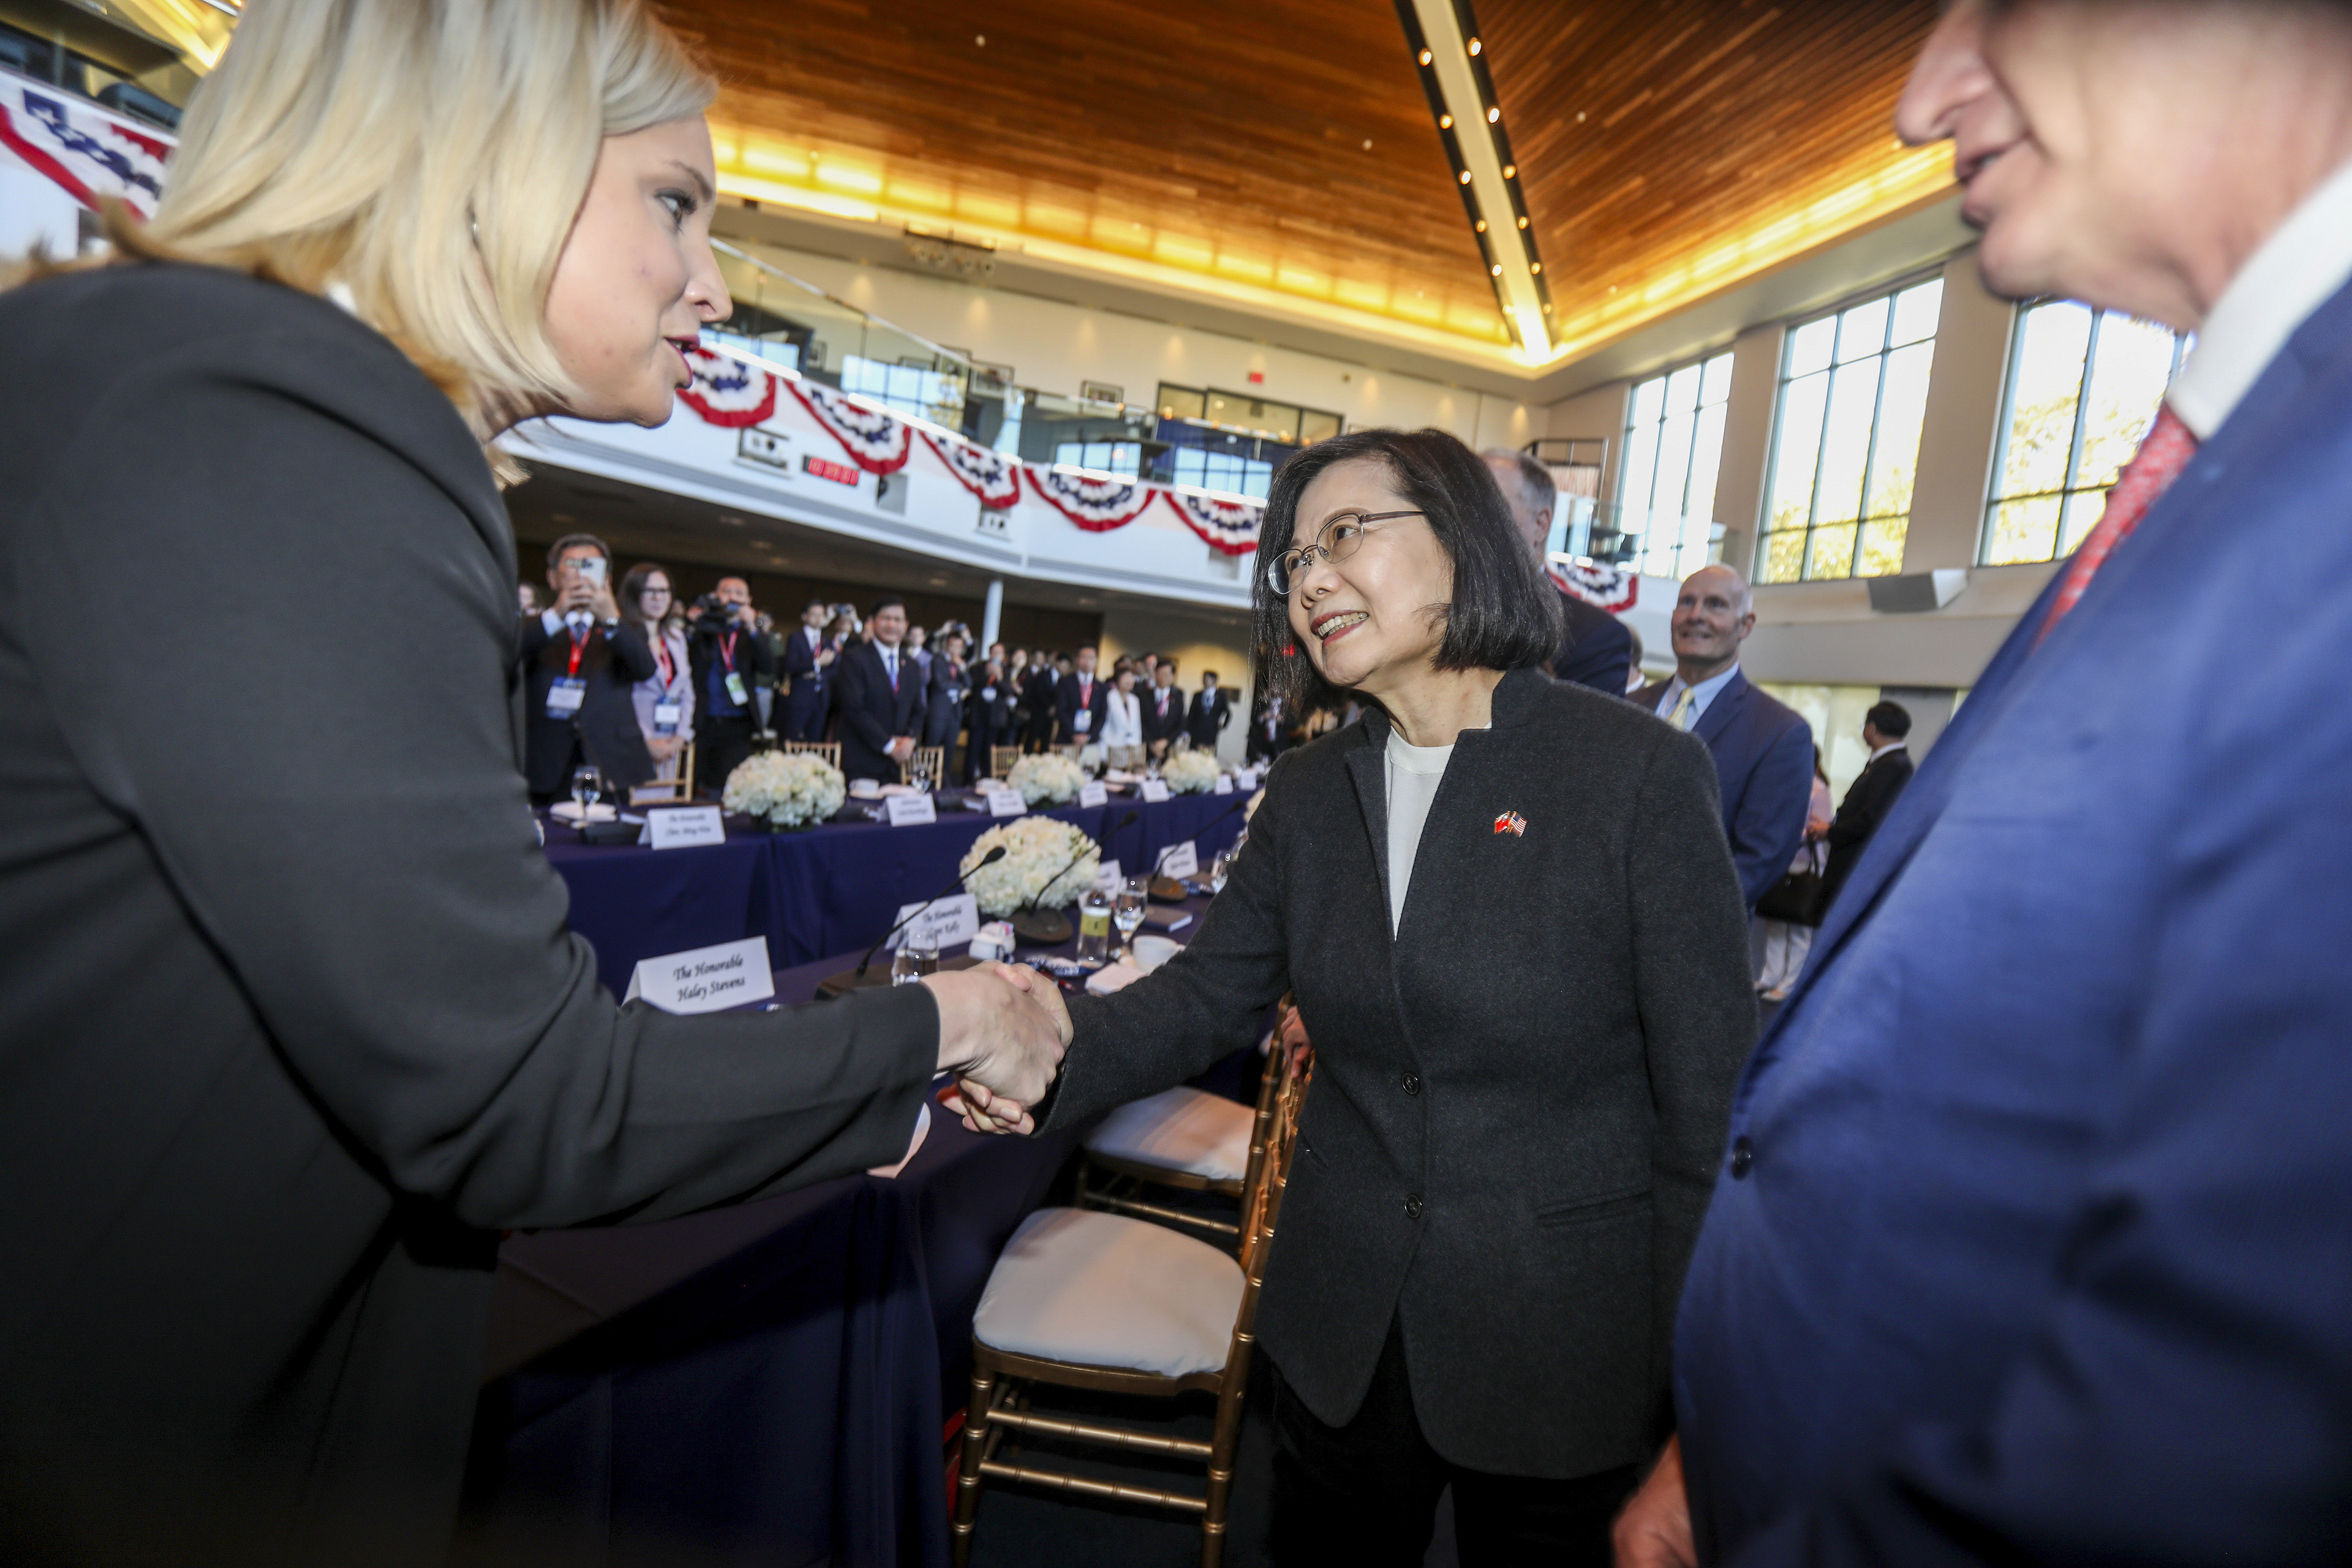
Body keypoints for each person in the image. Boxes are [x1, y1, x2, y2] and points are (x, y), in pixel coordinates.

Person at [0, 3, 1067, 1556]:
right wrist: (949, 1016)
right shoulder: (281, 419)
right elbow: (514, 1094)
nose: (710, 286)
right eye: (673, 204)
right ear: (484, 162)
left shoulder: (209, 386)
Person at [1613, 6, 2352, 1566]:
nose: (1911, 100)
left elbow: (2230, 1403)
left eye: (1983, 9)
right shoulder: (2231, 460)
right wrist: (1740, 1428)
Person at [982, 428, 1757, 1566]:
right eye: (1291, 563)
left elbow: (1713, 1115)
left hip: (1561, 1334)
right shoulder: (1309, 789)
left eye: (1344, 536)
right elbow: (1204, 998)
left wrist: (1696, 1403)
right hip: (1341, 1320)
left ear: (1462, 540)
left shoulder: (1633, 773)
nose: (1309, 582)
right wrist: (1029, 1050)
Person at [1630, 566, 1812, 908]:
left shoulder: (1779, 733)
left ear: (1746, 625)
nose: (1696, 616)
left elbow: (1758, 863)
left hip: (1691, 943)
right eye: (1687, 602)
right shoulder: (1627, 709)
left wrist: (1659, 921)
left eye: (1716, 605)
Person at [517, 533, 656, 805]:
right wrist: (556, 615)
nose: (582, 575)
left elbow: (645, 669)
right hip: (546, 759)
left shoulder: (629, 628)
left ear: (607, 579)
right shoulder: (531, 627)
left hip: (608, 759)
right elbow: (508, 657)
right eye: (573, 565)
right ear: (553, 578)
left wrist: (612, 620)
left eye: (590, 566)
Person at [1482, 447, 1634, 696]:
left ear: (1541, 524)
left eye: (1489, 506)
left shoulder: (1593, 638)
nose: (1467, 522)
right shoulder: (1426, 611)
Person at [1816, 699, 1914, 914]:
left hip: (1856, 865)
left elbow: (1871, 819)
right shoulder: (1888, 763)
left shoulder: (1892, 765)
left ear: (1871, 729)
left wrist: (1830, 832)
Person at [1751, 748, 1833, 1002]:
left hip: (1805, 864)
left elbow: (1819, 828)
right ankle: (1769, 976)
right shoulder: (1785, 784)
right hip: (1780, 860)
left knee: (1798, 927)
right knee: (1775, 920)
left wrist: (1786, 834)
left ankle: (1789, 983)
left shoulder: (1819, 790)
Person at [689, 574, 773, 794]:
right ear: (716, 596)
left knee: (733, 786)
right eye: (727, 592)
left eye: (739, 593)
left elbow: (767, 667)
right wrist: (695, 621)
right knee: (695, 782)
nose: (732, 597)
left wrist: (753, 627)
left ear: (749, 601)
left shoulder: (751, 632)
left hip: (738, 722)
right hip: (703, 719)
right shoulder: (704, 626)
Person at [834, 594, 927, 783]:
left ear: (906, 625)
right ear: (873, 622)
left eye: (898, 620)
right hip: (862, 761)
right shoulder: (855, 659)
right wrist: (890, 746)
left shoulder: (911, 666)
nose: (892, 625)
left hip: (897, 764)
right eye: (886, 618)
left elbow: (919, 709)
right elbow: (854, 709)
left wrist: (909, 740)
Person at [619, 560, 694, 790]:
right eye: (650, 591)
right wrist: (646, 740)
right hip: (634, 742)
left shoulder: (676, 637)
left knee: (662, 811)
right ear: (635, 594)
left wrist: (680, 736)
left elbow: (687, 692)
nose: (658, 598)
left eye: (664, 591)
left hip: (671, 743)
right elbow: (621, 697)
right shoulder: (623, 637)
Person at [779, 596, 834, 742]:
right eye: (814, 614)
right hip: (800, 697)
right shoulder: (796, 638)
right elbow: (790, 666)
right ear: (805, 617)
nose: (819, 618)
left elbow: (835, 668)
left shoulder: (827, 640)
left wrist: (819, 673)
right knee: (792, 738)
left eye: (822, 615)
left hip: (821, 698)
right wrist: (817, 663)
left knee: (815, 740)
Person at [963, 656, 1020, 783]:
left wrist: (998, 677)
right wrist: (987, 674)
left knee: (989, 753)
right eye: (994, 652)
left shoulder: (1005, 672)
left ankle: (986, 780)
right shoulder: (978, 668)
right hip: (978, 717)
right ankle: (967, 782)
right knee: (973, 751)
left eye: (999, 652)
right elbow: (972, 685)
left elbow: (1007, 691)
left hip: (994, 719)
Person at [924, 627, 970, 775]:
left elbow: (969, 684)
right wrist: (959, 687)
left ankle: (944, 779)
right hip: (938, 713)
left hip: (955, 714)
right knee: (931, 748)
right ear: (946, 645)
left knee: (950, 749)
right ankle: (925, 777)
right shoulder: (938, 660)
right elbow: (940, 683)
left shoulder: (961, 663)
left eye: (959, 647)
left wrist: (963, 667)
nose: (955, 649)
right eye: (953, 646)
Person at [1056, 643, 1107, 747]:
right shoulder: (1065, 682)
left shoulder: (1102, 687)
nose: (1087, 661)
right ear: (1077, 659)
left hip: (1090, 741)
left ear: (1096, 661)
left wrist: (1089, 737)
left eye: (1091, 658)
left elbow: (1102, 716)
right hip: (1067, 738)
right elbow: (1061, 711)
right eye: (1084, 657)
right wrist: (1074, 735)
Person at [1099, 663, 1145, 766]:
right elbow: (1104, 724)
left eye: (1132, 677)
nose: (1130, 681)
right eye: (1126, 677)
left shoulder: (1135, 700)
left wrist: (1137, 748)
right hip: (1113, 747)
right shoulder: (1109, 697)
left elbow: (1137, 727)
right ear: (1118, 680)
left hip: (1132, 749)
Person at [1142, 658, 1186, 760]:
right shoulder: (1143, 695)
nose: (1162, 678)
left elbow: (1181, 724)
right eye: (1159, 674)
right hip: (1146, 749)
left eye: (1166, 675)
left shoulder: (1178, 698)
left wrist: (1166, 741)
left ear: (1173, 677)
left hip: (1168, 750)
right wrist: (1152, 745)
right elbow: (1140, 722)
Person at [1021, 649, 1060, 753]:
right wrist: (1049, 706)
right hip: (1036, 712)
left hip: (1049, 717)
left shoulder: (1059, 676)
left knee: (1045, 742)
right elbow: (1038, 692)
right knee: (1031, 740)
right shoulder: (1041, 673)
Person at [1188, 666, 1234, 755]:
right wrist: (1189, 729)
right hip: (1196, 731)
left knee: (1209, 756)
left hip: (1211, 732)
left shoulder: (1220, 697)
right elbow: (1191, 713)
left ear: (1214, 680)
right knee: (1194, 755)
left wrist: (1222, 726)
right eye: (1204, 678)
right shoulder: (1197, 695)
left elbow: (1228, 713)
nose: (1205, 681)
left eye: (1208, 678)